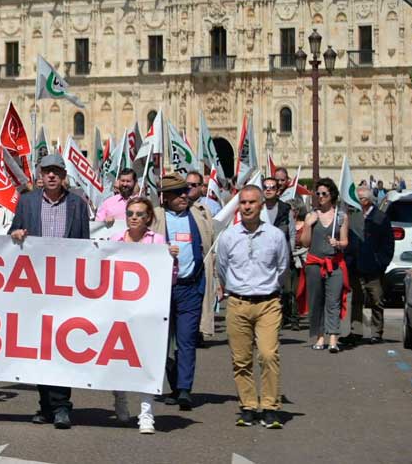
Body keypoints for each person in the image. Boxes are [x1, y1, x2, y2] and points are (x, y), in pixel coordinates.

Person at [8, 154, 92, 429]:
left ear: (63, 174)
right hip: (35, 285)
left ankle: (61, 406)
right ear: (40, 175)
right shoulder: (28, 201)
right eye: (47, 171)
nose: (52, 176)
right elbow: (12, 232)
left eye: (56, 171)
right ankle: (46, 406)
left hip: (66, 286)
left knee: (61, 346)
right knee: (39, 348)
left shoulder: (77, 204)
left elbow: (84, 243)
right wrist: (16, 235)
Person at [216, 185, 289, 429]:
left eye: (252, 202)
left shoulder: (276, 236)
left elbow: (282, 268)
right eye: (243, 203)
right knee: (241, 359)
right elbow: (222, 268)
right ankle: (247, 405)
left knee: (268, 355)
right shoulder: (228, 237)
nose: (247, 207)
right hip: (238, 302)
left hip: (268, 302)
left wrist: (268, 288)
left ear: (261, 205)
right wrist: (233, 289)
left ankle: (269, 406)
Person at [109, 197, 178, 435]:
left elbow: (170, 278)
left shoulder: (157, 241)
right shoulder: (114, 241)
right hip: (118, 309)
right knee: (118, 359)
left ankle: (146, 413)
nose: (134, 217)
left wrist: (172, 259)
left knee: (147, 360)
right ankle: (120, 398)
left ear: (148, 217)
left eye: (139, 213)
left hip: (147, 310)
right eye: (130, 213)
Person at [151, 173, 216, 411]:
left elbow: (211, 244)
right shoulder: (156, 217)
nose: (183, 196)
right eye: (177, 193)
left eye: (185, 191)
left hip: (191, 286)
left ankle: (185, 389)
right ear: (165, 197)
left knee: (187, 340)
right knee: (162, 343)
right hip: (163, 289)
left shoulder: (199, 213)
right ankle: (175, 385)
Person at [297, 178, 351, 353]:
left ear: (331, 195)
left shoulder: (341, 217)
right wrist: (307, 225)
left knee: (333, 301)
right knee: (316, 301)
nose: (320, 197)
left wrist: (338, 244)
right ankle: (320, 337)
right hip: (314, 264)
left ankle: (333, 338)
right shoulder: (311, 215)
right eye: (317, 193)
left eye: (324, 194)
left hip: (334, 265)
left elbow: (345, 242)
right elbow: (305, 243)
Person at [349, 185, 394, 343]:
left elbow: (388, 244)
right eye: (358, 199)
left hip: (374, 268)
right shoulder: (353, 217)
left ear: (368, 200)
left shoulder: (380, 217)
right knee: (356, 300)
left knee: (376, 300)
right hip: (356, 266)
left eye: (361, 199)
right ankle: (356, 332)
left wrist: (381, 263)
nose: (359, 201)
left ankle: (376, 332)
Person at [259, 176, 298, 330]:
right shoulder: (258, 208)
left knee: (287, 289)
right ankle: (274, 319)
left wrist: (290, 252)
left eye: (272, 187)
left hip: (283, 255)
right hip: (263, 257)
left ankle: (291, 317)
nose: (268, 190)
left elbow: (292, 233)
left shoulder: (285, 209)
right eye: (266, 187)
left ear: (278, 191)